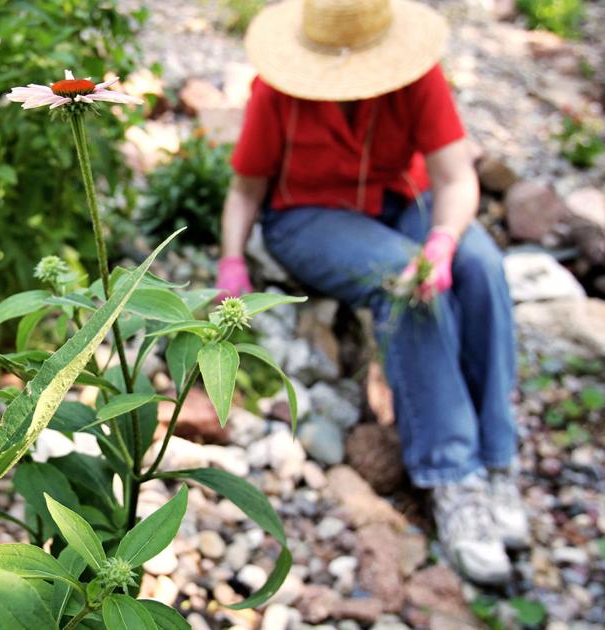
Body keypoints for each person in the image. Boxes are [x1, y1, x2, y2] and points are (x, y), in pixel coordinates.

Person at [218, 0, 526, 584]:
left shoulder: (419, 79)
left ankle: (496, 456)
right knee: (406, 283)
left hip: (398, 199)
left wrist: (442, 240)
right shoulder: (275, 90)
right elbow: (245, 189)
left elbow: (457, 179)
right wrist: (231, 259)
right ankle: (451, 471)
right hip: (307, 217)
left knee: (481, 265)